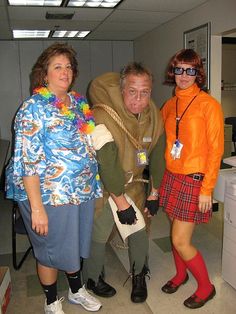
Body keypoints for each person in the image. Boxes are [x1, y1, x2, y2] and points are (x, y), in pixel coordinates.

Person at [5, 43, 103, 314]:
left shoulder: (78, 102)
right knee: (49, 249)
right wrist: (37, 208)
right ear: (44, 75)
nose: (65, 71)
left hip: (79, 192)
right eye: (57, 66)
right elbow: (28, 161)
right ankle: (50, 301)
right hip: (48, 196)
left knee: (73, 245)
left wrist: (95, 184)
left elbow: (87, 145)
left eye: (69, 66)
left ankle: (75, 290)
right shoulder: (32, 108)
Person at [83, 62, 164, 303]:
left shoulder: (154, 116)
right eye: (132, 91)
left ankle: (139, 274)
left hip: (135, 184)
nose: (138, 99)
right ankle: (93, 277)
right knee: (99, 234)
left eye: (145, 92)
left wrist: (154, 192)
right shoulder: (102, 114)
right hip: (106, 186)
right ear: (121, 89)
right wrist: (120, 202)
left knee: (139, 230)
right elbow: (106, 161)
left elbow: (158, 152)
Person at [159, 49, 224, 309]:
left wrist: (206, 189)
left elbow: (216, 149)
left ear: (198, 73)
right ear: (172, 71)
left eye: (190, 70)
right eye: (179, 69)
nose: (184, 76)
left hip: (194, 180)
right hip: (172, 175)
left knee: (180, 240)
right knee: (175, 233)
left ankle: (207, 287)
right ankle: (180, 274)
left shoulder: (208, 104)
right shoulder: (170, 104)